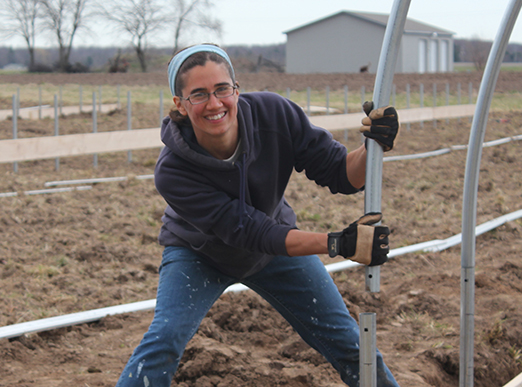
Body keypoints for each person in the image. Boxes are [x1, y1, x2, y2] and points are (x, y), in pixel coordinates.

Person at [115, 44, 400, 387]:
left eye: (222, 89)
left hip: (275, 251)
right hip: (199, 255)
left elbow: (340, 174)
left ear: (236, 88)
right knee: (164, 339)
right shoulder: (173, 171)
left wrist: (373, 146)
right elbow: (251, 231)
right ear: (180, 103)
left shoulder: (274, 115)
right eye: (199, 94)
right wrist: (338, 243)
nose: (215, 103)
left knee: (349, 343)